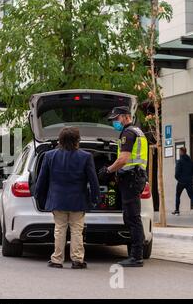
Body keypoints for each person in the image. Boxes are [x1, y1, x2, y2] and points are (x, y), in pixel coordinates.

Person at [34, 127, 100, 269]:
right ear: (77, 140)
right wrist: (95, 198)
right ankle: (77, 260)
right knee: (77, 230)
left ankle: (57, 260)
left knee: (59, 229)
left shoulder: (49, 156)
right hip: (78, 200)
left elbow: (42, 179)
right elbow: (93, 180)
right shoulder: (86, 156)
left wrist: (38, 195)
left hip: (57, 200)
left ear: (60, 140)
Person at [99, 106, 148, 267]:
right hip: (136, 177)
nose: (114, 122)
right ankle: (135, 255)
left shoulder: (128, 133)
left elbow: (123, 159)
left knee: (133, 217)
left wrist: (108, 170)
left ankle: (136, 257)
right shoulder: (138, 132)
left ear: (125, 117)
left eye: (116, 119)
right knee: (131, 216)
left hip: (132, 179)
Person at [173, 147, 193, 215]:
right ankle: (176, 211)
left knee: (178, 195)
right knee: (192, 196)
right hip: (189, 182)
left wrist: (179, 179)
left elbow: (177, 173)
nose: (179, 153)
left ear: (181, 152)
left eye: (179, 152)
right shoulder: (190, 161)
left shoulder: (179, 161)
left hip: (181, 182)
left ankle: (177, 211)